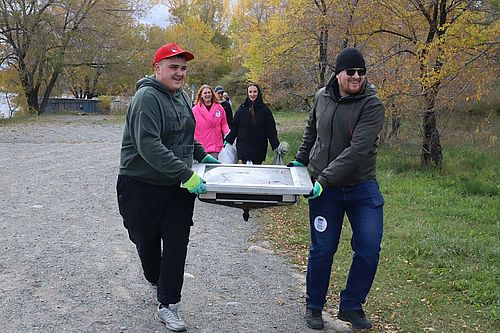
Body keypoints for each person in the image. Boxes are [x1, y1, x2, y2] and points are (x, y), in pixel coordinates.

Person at [116, 42, 220, 332]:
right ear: (157, 68)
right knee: (144, 241)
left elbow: (186, 138)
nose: (180, 73)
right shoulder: (146, 98)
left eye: (184, 68)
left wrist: (204, 157)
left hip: (176, 187)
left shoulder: (183, 97)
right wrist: (186, 173)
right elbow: (149, 145)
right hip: (141, 185)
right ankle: (156, 280)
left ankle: (169, 305)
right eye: (174, 67)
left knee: (177, 244)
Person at [288, 47, 385, 330]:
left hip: (360, 187)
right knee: (322, 249)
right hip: (325, 191)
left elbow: (358, 150)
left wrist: (324, 178)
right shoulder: (322, 97)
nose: (357, 76)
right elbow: (311, 131)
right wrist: (299, 161)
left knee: (368, 248)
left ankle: (351, 306)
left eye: (361, 72)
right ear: (338, 73)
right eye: (351, 71)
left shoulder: (372, 105)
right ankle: (314, 306)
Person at [224, 83, 280, 164]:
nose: (252, 94)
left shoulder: (265, 110)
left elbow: (270, 129)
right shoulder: (242, 109)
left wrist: (276, 145)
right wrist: (228, 140)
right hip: (243, 147)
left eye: (255, 92)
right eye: (250, 92)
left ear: (258, 93)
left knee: (256, 172)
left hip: (259, 147)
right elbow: (235, 127)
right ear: (247, 93)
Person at [192, 84, 230, 159]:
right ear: (201, 95)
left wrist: (227, 134)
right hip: (201, 146)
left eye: (209, 93)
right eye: (205, 93)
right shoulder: (195, 110)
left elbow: (224, 123)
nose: (207, 95)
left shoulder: (219, 108)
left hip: (215, 145)